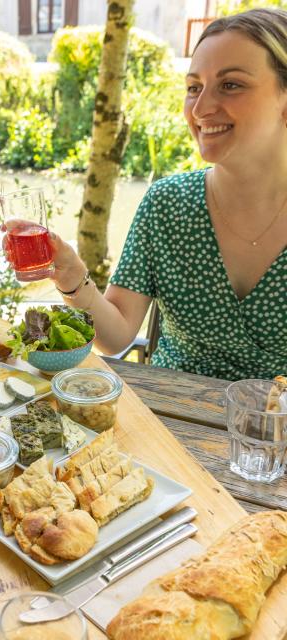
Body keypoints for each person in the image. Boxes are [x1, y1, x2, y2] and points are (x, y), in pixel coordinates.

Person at [44, 7, 287, 381]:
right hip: (167, 423)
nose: (202, 109)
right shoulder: (167, 205)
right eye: (194, 88)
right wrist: (75, 280)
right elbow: (117, 334)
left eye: (231, 84)